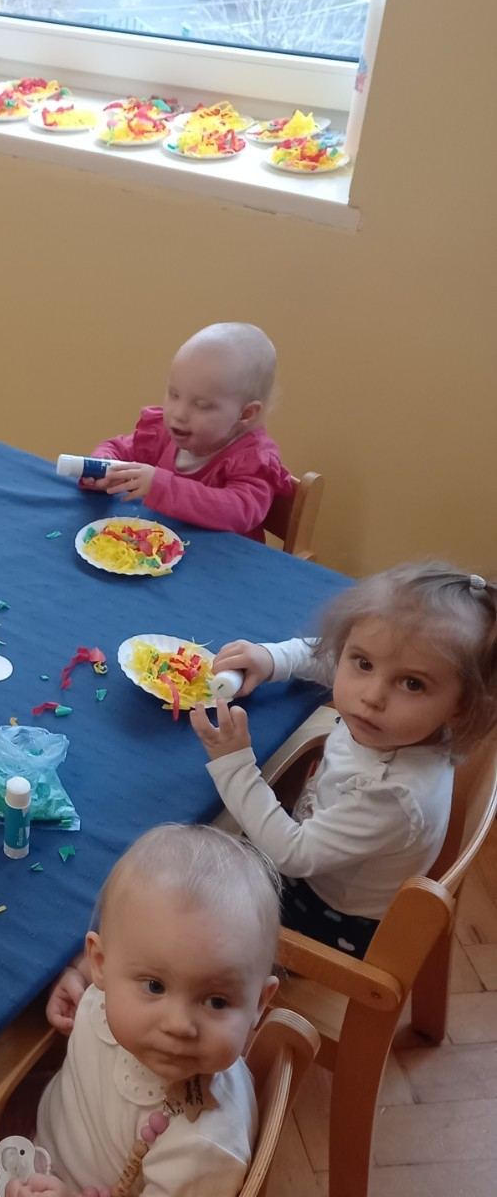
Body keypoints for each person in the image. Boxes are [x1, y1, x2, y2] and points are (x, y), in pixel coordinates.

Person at [189, 562, 497, 958]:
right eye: (365, 663)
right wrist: (273, 658)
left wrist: (233, 765)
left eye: (412, 684)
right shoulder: (409, 724)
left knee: (189, 896)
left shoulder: (391, 795)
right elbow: (333, 657)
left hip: (326, 916)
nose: (371, 696)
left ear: (462, 706)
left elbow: (293, 854)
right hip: (320, 850)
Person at [5, 825, 281, 1197]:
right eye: (155, 986)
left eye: (217, 1001)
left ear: (259, 1004)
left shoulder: (206, 1151)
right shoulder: (106, 985)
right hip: (41, 1128)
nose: (179, 1025)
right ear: (101, 964)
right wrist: (75, 974)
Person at [83, 323, 294, 540]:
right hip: (160, 549)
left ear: (245, 413)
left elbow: (240, 511)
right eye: (174, 394)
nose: (179, 414)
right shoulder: (164, 432)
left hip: (222, 557)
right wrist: (102, 466)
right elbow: (119, 449)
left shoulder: (254, 459)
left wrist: (162, 486)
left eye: (201, 405)